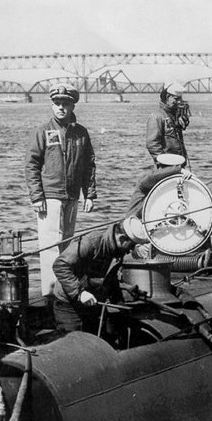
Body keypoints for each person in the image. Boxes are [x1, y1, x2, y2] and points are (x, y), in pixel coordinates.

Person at [26, 84, 97, 299]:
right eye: (57, 103)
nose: (61, 108)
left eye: (65, 103)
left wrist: (90, 194)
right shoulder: (42, 131)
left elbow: (89, 164)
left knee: (66, 244)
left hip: (72, 196)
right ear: (51, 105)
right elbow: (31, 165)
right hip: (50, 198)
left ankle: (64, 289)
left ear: (72, 105)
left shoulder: (81, 133)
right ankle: (49, 293)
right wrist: (37, 196)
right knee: (49, 246)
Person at [50, 216, 151, 335]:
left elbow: (110, 279)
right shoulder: (90, 243)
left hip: (92, 301)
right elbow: (60, 265)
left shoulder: (117, 250)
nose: (130, 250)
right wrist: (79, 293)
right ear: (123, 239)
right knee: (74, 345)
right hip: (69, 303)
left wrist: (119, 304)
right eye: (131, 246)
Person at [145, 82, 190, 165]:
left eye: (180, 99)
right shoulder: (157, 117)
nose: (179, 102)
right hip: (167, 167)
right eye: (176, 99)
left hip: (177, 165)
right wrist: (164, 163)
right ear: (168, 97)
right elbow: (152, 144)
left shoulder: (173, 117)